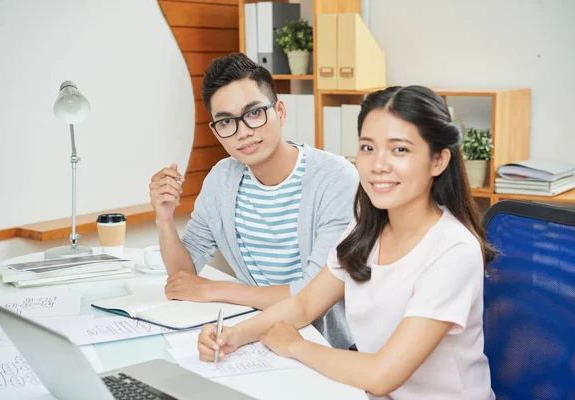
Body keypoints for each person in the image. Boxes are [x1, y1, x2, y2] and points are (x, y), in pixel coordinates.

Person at [197, 85, 496, 399]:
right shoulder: (367, 228)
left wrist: (296, 345)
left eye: (400, 150)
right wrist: (232, 336)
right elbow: (304, 304)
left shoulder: (453, 250)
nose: (378, 164)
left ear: (438, 161)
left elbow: (382, 375)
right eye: (368, 148)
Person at [149, 53, 358, 349]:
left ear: (280, 112)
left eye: (254, 113)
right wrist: (164, 219)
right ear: (216, 132)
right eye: (226, 122)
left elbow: (310, 295)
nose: (243, 132)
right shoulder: (222, 179)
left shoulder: (336, 179)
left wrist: (215, 290)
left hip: (327, 345)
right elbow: (184, 279)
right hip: (255, 335)